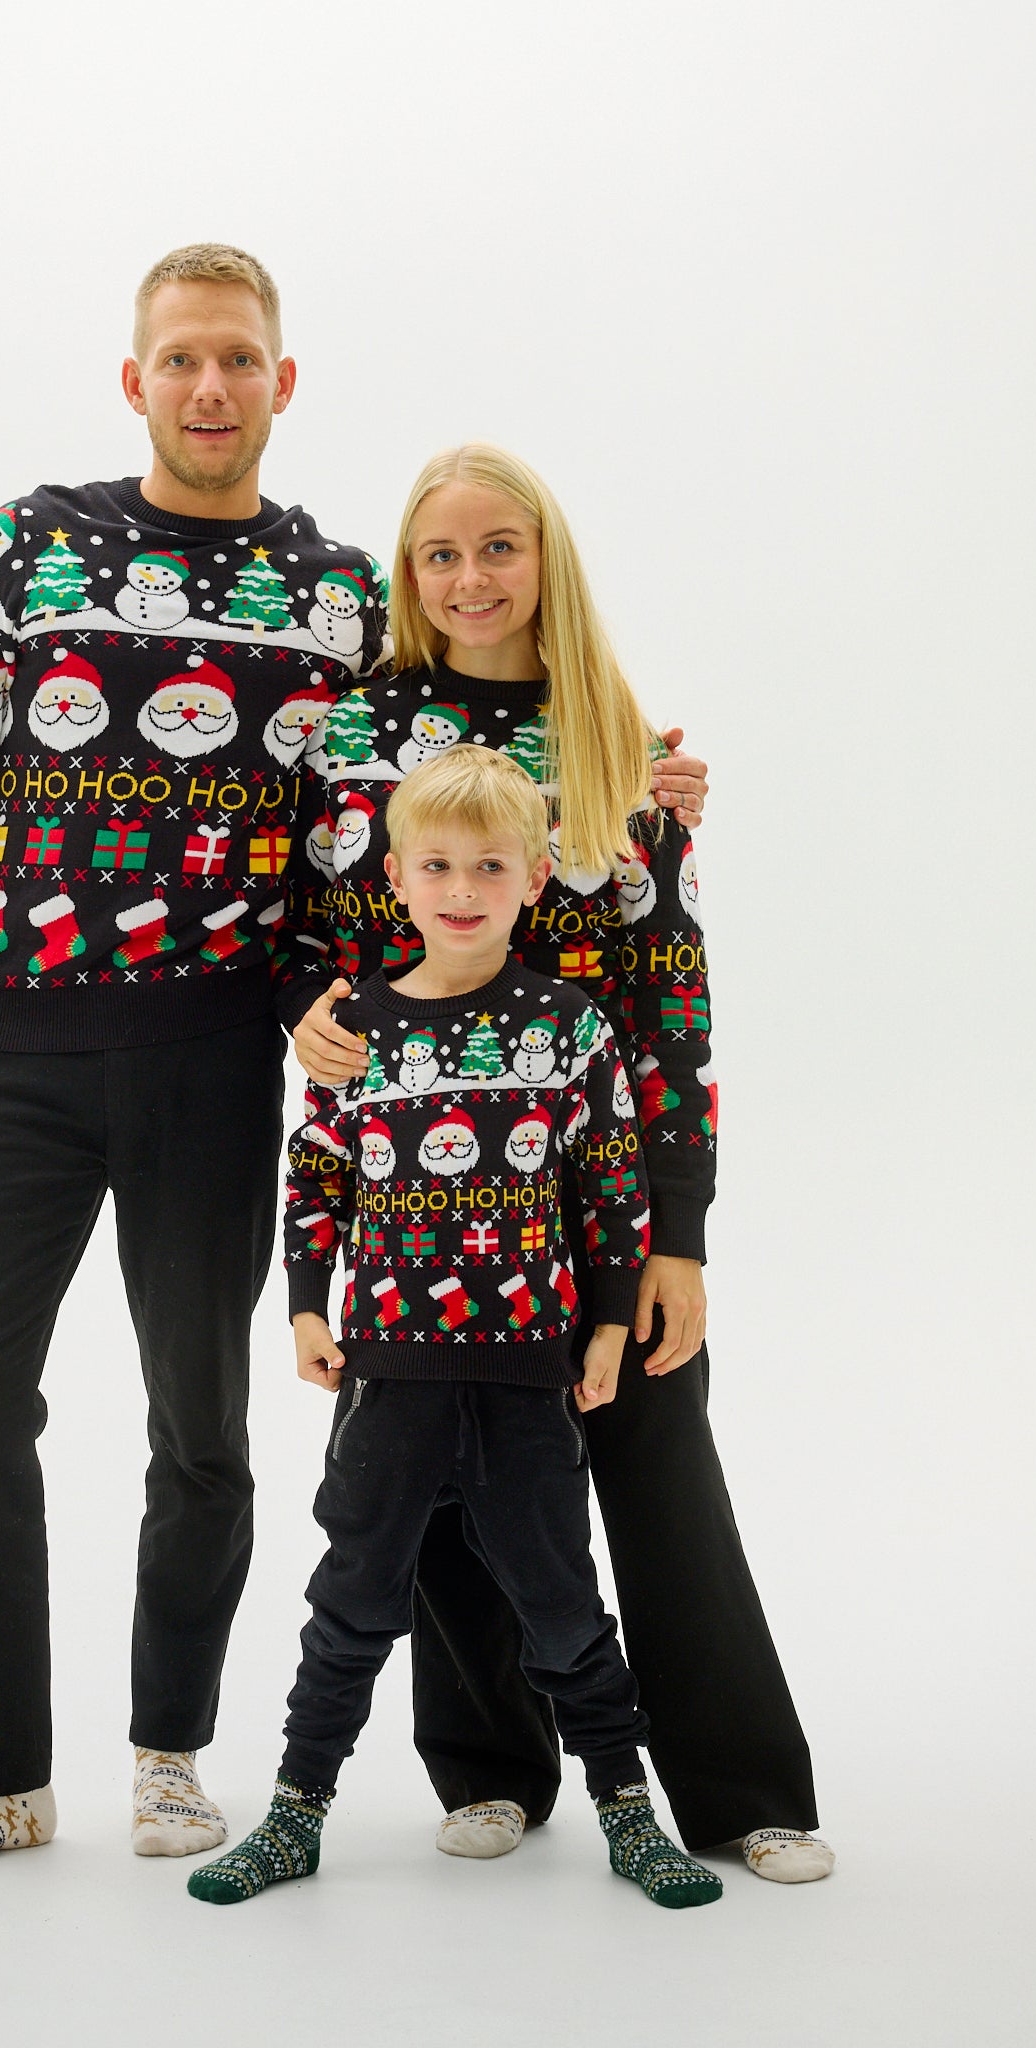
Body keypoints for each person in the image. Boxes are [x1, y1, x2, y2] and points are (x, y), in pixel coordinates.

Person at [0, 248, 706, 1882]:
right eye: (180, 358)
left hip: (212, 1055)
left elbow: (432, 759)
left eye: (238, 358)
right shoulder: (31, 542)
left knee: (202, 1423)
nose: (209, 386)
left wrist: (635, 772)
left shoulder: (335, 593)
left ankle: (169, 1758)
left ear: (280, 382)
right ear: (134, 380)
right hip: (8, 1050)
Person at [282, 443, 832, 1883]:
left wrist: (678, 1232)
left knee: (660, 1471)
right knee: (455, 1485)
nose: (470, 579)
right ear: (408, 575)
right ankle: (490, 1770)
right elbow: (310, 932)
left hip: (595, 1189)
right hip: (426, 1197)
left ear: (546, 561)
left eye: (498, 548)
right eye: (440, 554)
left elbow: (670, 997)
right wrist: (311, 1017)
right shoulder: (359, 733)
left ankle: (740, 1791)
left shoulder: (618, 739)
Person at [188, 745, 720, 1909]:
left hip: (527, 1369)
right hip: (389, 1372)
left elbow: (610, 1186)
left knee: (560, 1602)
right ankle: (294, 1813)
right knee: (351, 1598)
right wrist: (305, 1301)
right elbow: (315, 1173)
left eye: (488, 865)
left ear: (533, 877)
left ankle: (627, 1811)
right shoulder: (355, 1028)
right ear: (394, 877)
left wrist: (604, 1328)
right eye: (435, 865)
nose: (462, 887)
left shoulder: (568, 1026)